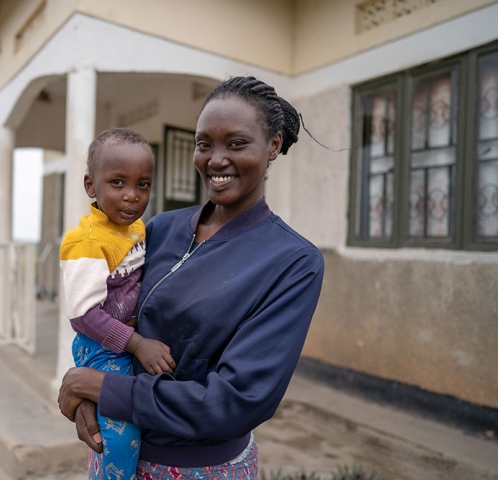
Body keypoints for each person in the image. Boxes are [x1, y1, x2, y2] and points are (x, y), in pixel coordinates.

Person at [58, 76, 325, 479]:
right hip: (116, 449)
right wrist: (87, 392)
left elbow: (233, 402)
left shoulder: (292, 261)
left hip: (199, 468)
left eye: (236, 144)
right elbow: (107, 309)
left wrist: (98, 388)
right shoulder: (160, 228)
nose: (216, 160)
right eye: (204, 145)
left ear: (272, 145)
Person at [60, 128, 177, 480]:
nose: (132, 196)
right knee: (121, 437)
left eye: (143, 185)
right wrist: (137, 343)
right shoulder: (87, 242)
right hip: (100, 348)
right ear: (90, 186)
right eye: (117, 183)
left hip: (119, 344)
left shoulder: (135, 229)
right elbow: (82, 315)